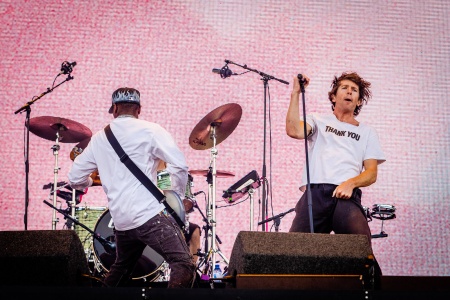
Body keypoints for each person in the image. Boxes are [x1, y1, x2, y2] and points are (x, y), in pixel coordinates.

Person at [68, 87, 196, 288]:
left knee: (121, 269)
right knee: (183, 264)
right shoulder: (151, 130)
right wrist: (178, 198)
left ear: (115, 109)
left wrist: (90, 182)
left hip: (121, 222)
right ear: (139, 110)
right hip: (148, 216)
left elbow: (75, 178)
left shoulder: (100, 138)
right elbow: (179, 165)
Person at [285, 72, 385, 284]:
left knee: (361, 251)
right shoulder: (318, 120)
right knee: (292, 253)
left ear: (358, 101)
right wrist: (295, 93)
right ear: (333, 96)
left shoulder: (367, 132)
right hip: (315, 194)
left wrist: (350, 183)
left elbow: (371, 172)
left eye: (354, 90)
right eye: (344, 88)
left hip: (346, 196)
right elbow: (293, 130)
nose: (349, 91)